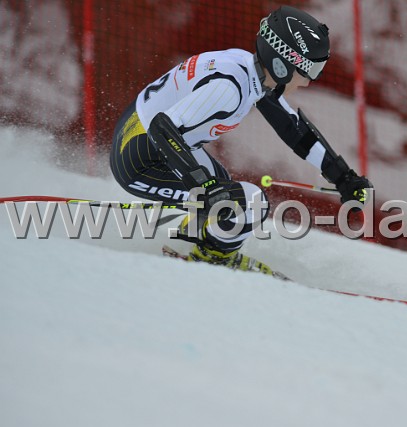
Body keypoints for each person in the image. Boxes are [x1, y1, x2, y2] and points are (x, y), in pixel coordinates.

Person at [110, 5, 372, 276]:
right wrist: (204, 186)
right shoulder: (230, 89)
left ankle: (201, 239)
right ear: (283, 63)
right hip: (139, 161)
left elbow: (294, 130)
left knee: (223, 185)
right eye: (308, 71)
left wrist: (343, 177)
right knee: (249, 203)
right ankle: (210, 260)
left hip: (146, 141)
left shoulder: (248, 71)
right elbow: (161, 129)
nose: (308, 82)